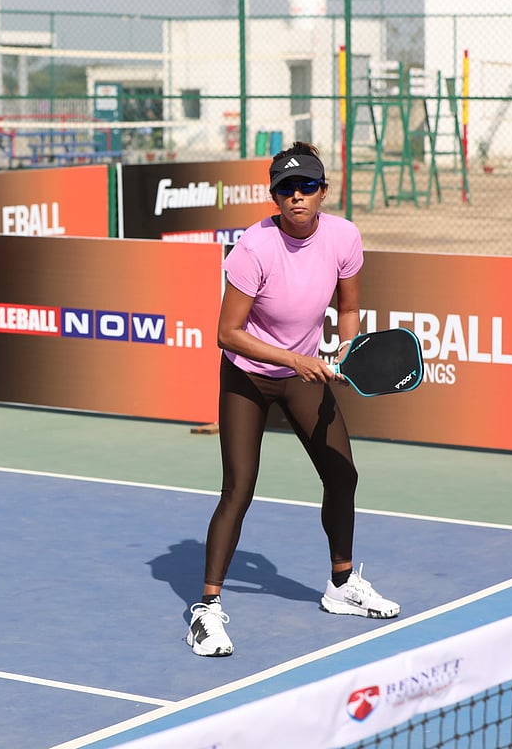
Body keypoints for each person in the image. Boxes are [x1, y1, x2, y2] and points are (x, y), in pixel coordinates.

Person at [186, 142, 400, 658]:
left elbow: (348, 308)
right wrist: (293, 359)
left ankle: (342, 585)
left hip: (301, 374)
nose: (297, 196)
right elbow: (226, 333)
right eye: (286, 188)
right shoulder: (254, 248)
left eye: (307, 186)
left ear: (323, 190)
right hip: (248, 377)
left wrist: (345, 350)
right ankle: (206, 610)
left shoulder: (344, 237)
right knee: (239, 488)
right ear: (274, 195)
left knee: (342, 473)